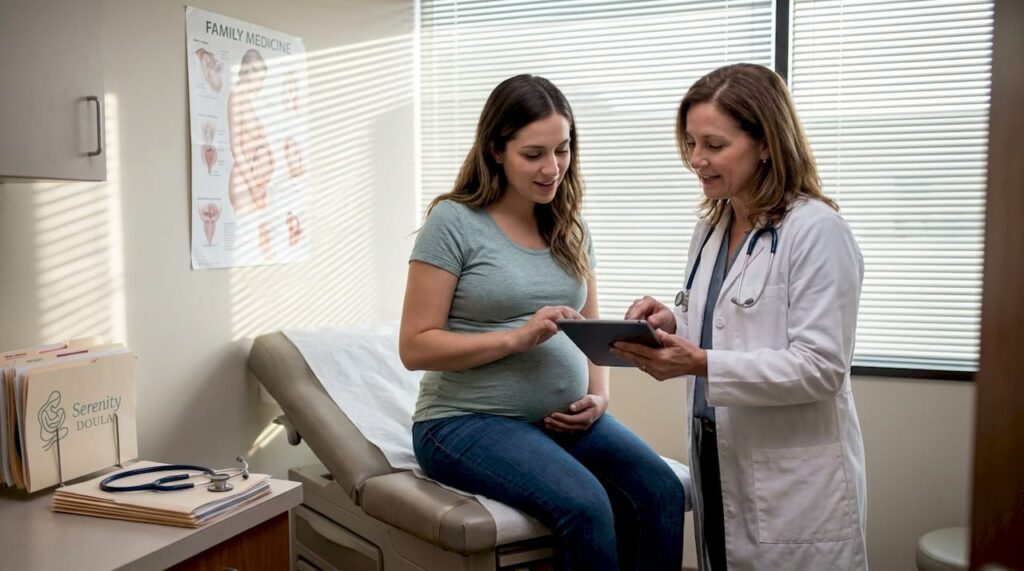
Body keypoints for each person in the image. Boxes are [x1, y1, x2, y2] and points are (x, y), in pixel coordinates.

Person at [399, 74, 684, 571]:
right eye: (533, 154)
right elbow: (415, 347)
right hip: (463, 421)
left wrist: (600, 397)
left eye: (562, 149)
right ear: (496, 151)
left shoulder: (571, 226)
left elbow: (593, 331)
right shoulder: (454, 222)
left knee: (661, 491)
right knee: (586, 506)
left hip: (562, 420)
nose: (552, 168)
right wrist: (517, 338)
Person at [615, 63, 868, 570]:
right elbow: (725, 324)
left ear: (766, 144)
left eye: (714, 144)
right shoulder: (713, 228)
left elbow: (822, 367)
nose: (696, 159)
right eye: (692, 143)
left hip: (790, 482)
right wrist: (672, 323)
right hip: (715, 454)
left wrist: (702, 363)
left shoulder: (816, 230)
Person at [228, 48, 275, 215]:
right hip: (245, 185)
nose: (261, 85)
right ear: (250, 72)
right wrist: (254, 188)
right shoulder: (236, 97)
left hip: (255, 184)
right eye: (260, 79)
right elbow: (236, 148)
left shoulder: (247, 101)